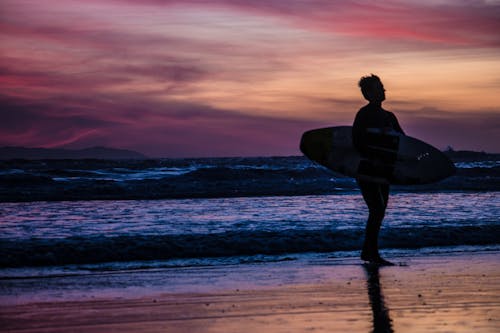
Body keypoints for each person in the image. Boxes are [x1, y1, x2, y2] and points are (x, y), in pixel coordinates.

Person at [352, 74, 405, 265]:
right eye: (379, 87)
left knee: (379, 211)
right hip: (367, 171)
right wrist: (373, 160)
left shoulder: (389, 117)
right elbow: (357, 142)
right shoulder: (364, 114)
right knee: (376, 210)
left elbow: (402, 142)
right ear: (368, 93)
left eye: (382, 86)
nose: (384, 89)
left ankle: (369, 252)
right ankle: (370, 253)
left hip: (385, 171)